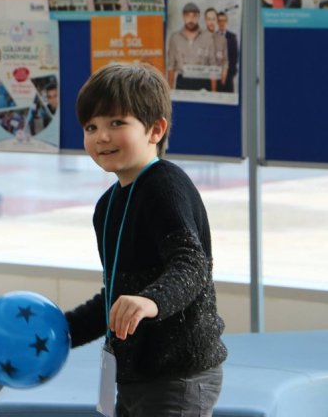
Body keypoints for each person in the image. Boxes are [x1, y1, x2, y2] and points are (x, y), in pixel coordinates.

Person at [65, 63, 227, 417]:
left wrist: (150, 301)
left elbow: (192, 264)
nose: (101, 136)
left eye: (116, 123)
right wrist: (63, 332)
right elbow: (117, 294)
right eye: (91, 127)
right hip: (135, 373)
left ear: (155, 129)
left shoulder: (165, 186)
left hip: (180, 374)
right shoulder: (107, 206)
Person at [167, 2, 217, 92]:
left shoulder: (208, 37)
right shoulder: (175, 38)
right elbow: (171, 66)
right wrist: (170, 93)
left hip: (202, 81)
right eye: (188, 16)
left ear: (198, 17)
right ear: (183, 16)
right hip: (183, 81)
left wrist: (214, 93)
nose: (191, 19)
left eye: (194, 16)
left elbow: (213, 65)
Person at [204, 7, 228, 91]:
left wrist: (224, 76)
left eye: (213, 19)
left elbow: (225, 61)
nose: (211, 22)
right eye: (208, 19)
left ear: (216, 21)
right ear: (205, 20)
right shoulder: (199, 38)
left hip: (220, 82)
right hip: (203, 82)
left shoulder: (222, 40)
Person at [216, 11, 239, 93]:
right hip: (216, 77)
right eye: (220, 21)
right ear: (217, 22)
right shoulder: (213, 37)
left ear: (226, 21)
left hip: (229, 76)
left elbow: (235, 57)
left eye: (224, 20)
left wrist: (230, 74)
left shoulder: (232, 37)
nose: (222, 23)